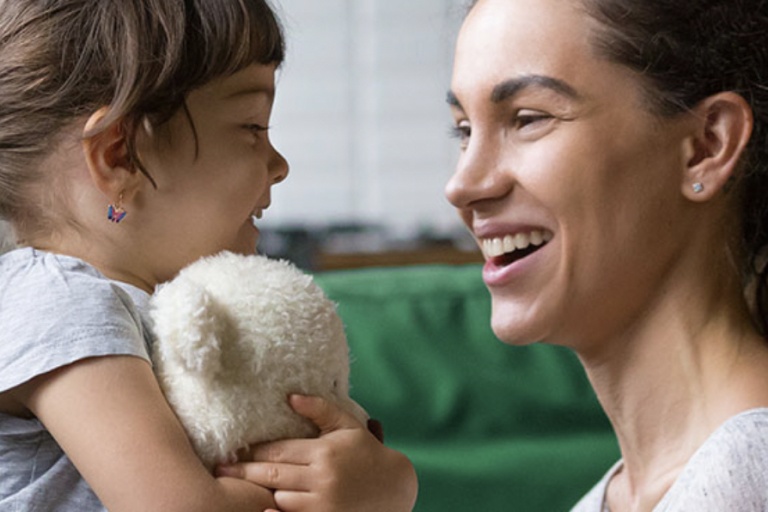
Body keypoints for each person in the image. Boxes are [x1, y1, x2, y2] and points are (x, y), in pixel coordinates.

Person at [0, 1, 417, 511]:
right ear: (121, 156)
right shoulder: (60, 302)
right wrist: (372, 493)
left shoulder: (141, 307)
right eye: (253, 128)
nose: (279, 164)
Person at [445, 0, 768, 510]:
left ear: (706, 146)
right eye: (464, 131)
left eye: (528, 119)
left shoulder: (747, 476)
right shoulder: (626, 495)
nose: (462, 185)